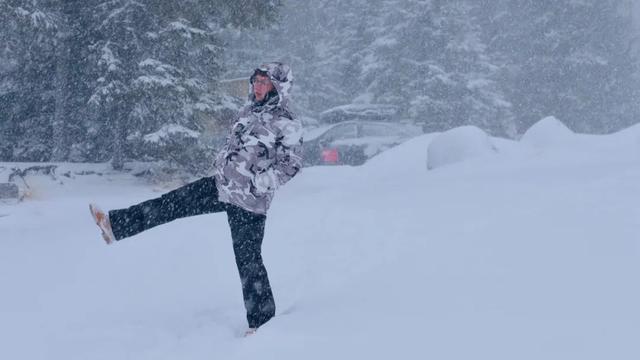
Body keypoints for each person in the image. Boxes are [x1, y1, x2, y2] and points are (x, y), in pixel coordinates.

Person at [89, 62, 303, 335]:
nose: (258, 87)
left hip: (249, 201)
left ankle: (262, 324)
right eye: (256, 81)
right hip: (222, 186)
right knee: (173, 202)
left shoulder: (287, 121)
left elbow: (291, 165)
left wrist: (260, 183)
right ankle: (114, 225)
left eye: (264, 82)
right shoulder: (249, 111)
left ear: (277, 86)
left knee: (248, 259)